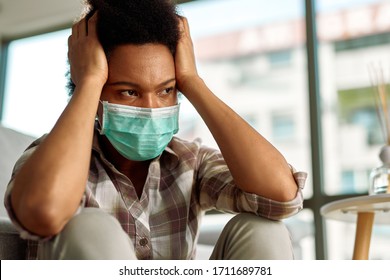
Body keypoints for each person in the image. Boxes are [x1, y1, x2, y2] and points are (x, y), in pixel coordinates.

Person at [4, 0, 307, 260]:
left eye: (166, 91)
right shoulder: (48, 157)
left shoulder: (189, 162)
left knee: (263, 228)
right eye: (128, 92)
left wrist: (192, 81)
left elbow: (281, 198)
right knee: (90, 226)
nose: (151, 108)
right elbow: (44, 212)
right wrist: (90, 80)